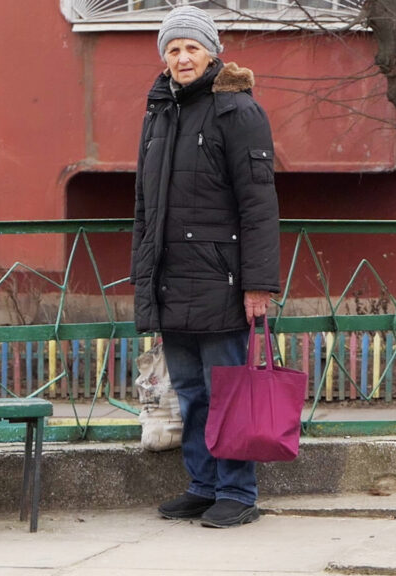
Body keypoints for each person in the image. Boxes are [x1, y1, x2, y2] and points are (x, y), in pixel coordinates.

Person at [130, 6, 280, 528]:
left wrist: (259, 284)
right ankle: (203, 484)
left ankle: (238, 490)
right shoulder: (159, 112)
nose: (182, 57)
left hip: (222, 278)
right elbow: (144, 208)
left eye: (191, 47)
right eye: (172, 49)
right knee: (190, 391)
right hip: (173, 280)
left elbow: (259, 203)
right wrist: (145, 279)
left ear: (212, 52)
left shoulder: (237, 110)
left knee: (227, 391)